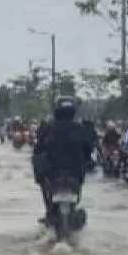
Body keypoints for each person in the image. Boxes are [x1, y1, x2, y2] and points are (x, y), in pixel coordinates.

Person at [33, 96, 96, 224]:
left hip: (54, 172)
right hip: (74, 173)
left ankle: (50, 213)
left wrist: (39, 171)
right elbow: (89, 149)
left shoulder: (48, 128)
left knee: (44, 186)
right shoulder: (80, 128)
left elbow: (38, 150)